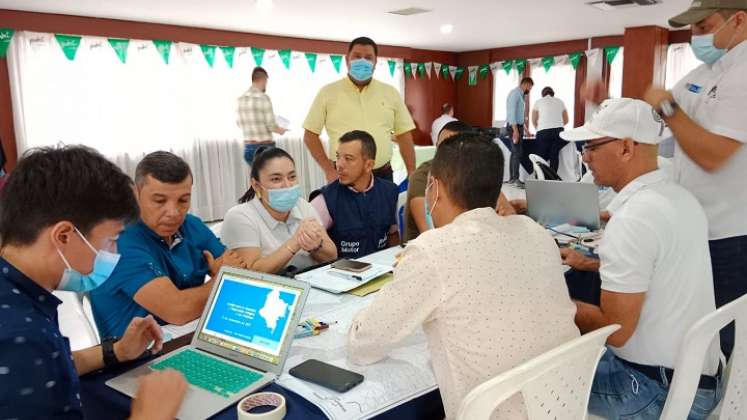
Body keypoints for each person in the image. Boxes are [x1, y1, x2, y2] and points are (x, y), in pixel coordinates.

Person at [347, 133, 579, 420]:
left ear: (435, 187)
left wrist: (358, 321)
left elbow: (365, 345)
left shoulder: (433, 250)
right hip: (560, 406)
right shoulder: (534, 232)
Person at [558, 99, 722, 419]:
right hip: (698, 377)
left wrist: (552, 302)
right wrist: (591, 263)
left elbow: (615, 330)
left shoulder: (633, 219)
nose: (584, 156)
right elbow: (659, 269)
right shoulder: (678, 198)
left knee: (535, 376)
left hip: (656, 392)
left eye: (591, 146)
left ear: (626, 148)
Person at [0, 145, 187, 419]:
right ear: (64, 235)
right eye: (111, 240)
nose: (114, 253)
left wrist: (115, 352)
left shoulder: (20, 295)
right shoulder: (21, 336)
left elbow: (45, 367)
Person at [643, 1, 747, 359]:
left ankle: (726, 407)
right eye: (693, 29)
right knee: (695, 327)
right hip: (694, 224)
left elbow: (713, 154)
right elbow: (658, 115)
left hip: (730, 233)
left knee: (725, 334)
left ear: (739, 20)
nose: (696, 37)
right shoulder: (704, 72)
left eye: (704, 26)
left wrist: (668, 108)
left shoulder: (744, 72)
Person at [91, 151, 247, 338]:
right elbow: (178, 311)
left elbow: (241, 278)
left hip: (193, 336)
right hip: (141, 356)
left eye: (183, 200)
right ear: (135, 193)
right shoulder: (118, 241)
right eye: (159, 201)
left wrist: (226, 275)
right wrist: (222, 278)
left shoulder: (191, 225)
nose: (173, 212)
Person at [303, 36, 417, 182]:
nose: (362, 61)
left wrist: (412, 170)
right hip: (342, 176)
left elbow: (404, 134)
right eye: (357, 56)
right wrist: (328, 169)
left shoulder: (390, 92)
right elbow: (310, 134)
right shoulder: (327, 92)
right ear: (347, 60)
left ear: (375, 62)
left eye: (368, 57)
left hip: (382, 176)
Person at [221, 147, 337, 275]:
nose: (287, 185)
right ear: (256, 185)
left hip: (311, 284)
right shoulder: (239, 216)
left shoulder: (302, 205)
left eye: (292, 177)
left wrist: (317, 245)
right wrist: (295, 243)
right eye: (276, 179)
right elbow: (251, 274)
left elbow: (332, 256)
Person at [404, 120, 517, 243]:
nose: (448, 154)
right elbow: (430, 235)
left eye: (456, 148)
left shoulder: (477, 174)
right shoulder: (422, 177)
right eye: (443, 147)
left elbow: (509, 215)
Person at [311, 130, 399, 259]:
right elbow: (311, 249)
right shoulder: (324, 200)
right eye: (338, 157)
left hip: (382, 271)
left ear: (369, 165)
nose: (339, 165)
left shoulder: (390, 192)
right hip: (342, 274)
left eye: (348, 158)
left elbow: (393, 235)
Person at [237, 66, 287, 165]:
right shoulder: (263, 98)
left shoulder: (240, 99)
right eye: (266, 82)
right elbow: (271, 125)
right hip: (264, 148)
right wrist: (280, 130)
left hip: (248, 148)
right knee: (270, 179)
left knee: (256, 178)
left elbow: (239, 123)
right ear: (263, 79)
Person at [532, 86, 569, 172]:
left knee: (541, 155)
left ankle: (540, 177)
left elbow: (534, 119)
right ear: (553, 94)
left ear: (542, 95)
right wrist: (556, 124)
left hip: (543, 131)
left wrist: (538, 128)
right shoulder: (560, 101)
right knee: (554, 154)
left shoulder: (538, 102)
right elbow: (566, 120)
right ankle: (553, 179)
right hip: (558, 131)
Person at [506, 77, 534, 185]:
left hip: (518, 126)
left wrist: (526, 130)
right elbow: (512, 114)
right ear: (526, 84)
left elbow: (519, 116)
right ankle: (514, 179)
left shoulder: (521, 95)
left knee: (515, 153)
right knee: (516, 153)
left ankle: (513, 179)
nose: (530, 90)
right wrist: (515, 131)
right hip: (514, 127)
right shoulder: (515, 94)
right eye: (530, 87)